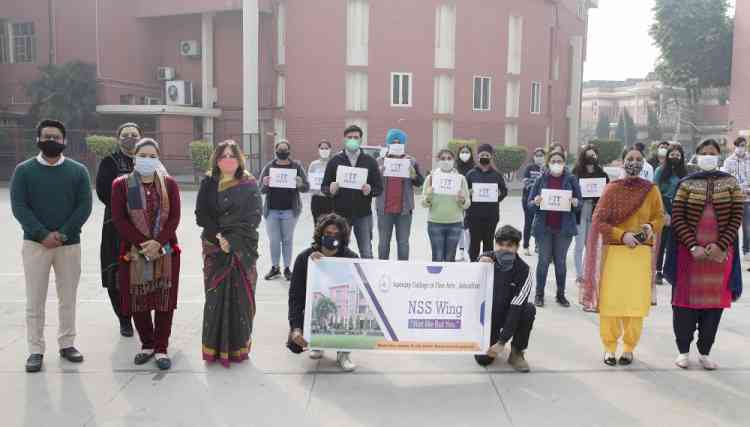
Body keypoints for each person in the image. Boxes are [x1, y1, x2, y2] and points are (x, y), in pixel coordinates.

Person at [11, 119, 93, 373]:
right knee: (35, 299)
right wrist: (41, 234)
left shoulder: (78, 171)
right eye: (46, 136)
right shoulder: (24, 171)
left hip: (69, 245)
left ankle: (67, 344)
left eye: (56, 137)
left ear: (64, 141)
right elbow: (19, 206)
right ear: (38, 140)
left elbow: (84, 206)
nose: (51, 140)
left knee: (67, 298)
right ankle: (35, 349)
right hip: (35, 245)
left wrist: (63, 234)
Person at [581, 146, 665, 366]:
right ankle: (609, 347)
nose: (634, 162)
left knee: (635, 304)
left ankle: (629, 348)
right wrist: (622, 235)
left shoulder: (651, 190)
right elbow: (598, 221)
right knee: (611, 303)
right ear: (622, 162)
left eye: (638, 159)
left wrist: (649, 227)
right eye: (630, 158)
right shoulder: (611, 189)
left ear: (644, 163)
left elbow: (660, 217)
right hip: (615, 253)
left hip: (641, 254)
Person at [665, 139, 743, 370]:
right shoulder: (686, 183)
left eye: (712, 153)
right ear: (697, 156)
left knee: (713, 306)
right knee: (684, 305)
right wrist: (692, 246)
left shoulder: (731, 183)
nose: (708, 156)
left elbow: (736, 216)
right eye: (704, 153)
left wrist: (720, 245)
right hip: (689, 256)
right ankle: (683, 351)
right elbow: (677, 217)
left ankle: (705, 351)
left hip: (719, 258)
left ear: (719, 156)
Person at [111, 138, 181, 370]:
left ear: (159, 159)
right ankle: (147, 344)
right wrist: (144, 243)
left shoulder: (169, 184)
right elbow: (120, 220)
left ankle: (161, 347)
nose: (148, 160)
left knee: (164, 300)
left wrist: (158, 243)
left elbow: (174, 218)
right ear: (134, 157)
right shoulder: (122, 185)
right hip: (134, 251)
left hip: (165, 251)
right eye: (143, 155)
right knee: (138, 299)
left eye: (153, 156)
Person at [196, 140, 262, 367]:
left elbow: (254, 217)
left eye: (232, 156)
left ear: (239, 159)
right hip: (215, 247)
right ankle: (213, 350)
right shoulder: (208, 181)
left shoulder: (249, 182)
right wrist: (220, 239)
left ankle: (238, 348)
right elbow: (201, 215)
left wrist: (233, 242)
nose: (227, 160)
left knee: (242, 300)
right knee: (215, 298)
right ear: (216, 159)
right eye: (223, 156)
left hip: (242, 247)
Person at [287, 213, 359, 371]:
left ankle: (344, 352)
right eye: (327, 234)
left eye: (336, 234)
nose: (331, 237)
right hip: (315, 308)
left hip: (341, 307)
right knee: (295, 344)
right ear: (320, 234)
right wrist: (296, 328)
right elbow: (295, 297)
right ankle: (316, 343)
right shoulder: (304, 258)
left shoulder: (351, 258)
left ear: (342, 238)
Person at [96, 122, 141, 337]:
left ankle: (142, 316)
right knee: (116, 272)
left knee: (143, 273)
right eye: (125, 135)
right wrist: (129, 206)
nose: (130, 138)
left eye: (134, 134)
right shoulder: (109, 162)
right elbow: (105, 192)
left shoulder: (150, 161)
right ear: (118, 138)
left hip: (145, 227)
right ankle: (124, 319)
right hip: (116, 225)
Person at [476, 225, 536, 372]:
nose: (504, 249)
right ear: (495, 244)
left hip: (510, 314)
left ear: (517, 247)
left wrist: (502, 342)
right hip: (489, 316)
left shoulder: (524, 271)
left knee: (528, 309)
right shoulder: (487, 260)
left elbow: (516, 307)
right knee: (483, 360)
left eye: (509, 246)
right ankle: (488, 339)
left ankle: (517, 352)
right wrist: (479, 262)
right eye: (500, 244)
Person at [528, 150, 581, 308]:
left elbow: (580, 203)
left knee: (560, 262)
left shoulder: (571, 180)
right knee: (543, 262)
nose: (557, 164)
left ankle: (560, 294)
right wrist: (535, 202)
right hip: (544, 229)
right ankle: (539, 294)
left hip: (563, 229)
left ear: (564, 163)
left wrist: (576, 203)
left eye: (560, 161)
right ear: (548, 163)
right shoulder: (540, 180)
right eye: (554, 161)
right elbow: (529, 204)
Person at [321, 125, 383, 259]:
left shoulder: (370, 162)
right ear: (344, 139)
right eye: (350, 137)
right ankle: (339, 278)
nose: (353, 140)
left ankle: (367, 278)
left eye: (356, 137)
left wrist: (370, 190)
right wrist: (330, 190)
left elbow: (379, 188)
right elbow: (324, 187)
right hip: (340, 215)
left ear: (361, 140)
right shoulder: (335, 161)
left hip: (363, 214)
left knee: (366, 251)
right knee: (338, 249)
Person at [259, 140, 310, 281]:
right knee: (274, 240)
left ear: (289, 151)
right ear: (276, 151)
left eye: (285, 149)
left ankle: (287, 267)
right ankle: (275, 267)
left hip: (290, 210)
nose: (282, 152)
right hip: (272, 211)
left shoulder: (296, 167)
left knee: (287, 240)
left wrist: (300, 184)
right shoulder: (269, 167)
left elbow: (307, 187)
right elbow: (260, 189)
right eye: (280, 149)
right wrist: (264, 183)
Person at [375, 128, 424, 260]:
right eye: (393, 142)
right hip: (384, 209)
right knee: (383, 243)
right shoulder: (380, 161)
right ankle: (382, 269)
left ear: (403, 144)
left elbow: (420, 182)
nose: (396, 144)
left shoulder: (411, 161)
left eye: (399, 142)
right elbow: (372, 184)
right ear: (388, 143)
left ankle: (402, 271)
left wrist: (414, 175)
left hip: (404, 210)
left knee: (403, 244)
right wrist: (378, 173)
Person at [571, 144, 610, 298]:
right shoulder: (576, 173)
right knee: (579, 244)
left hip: (595, 210)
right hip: (581, 210)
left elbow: (607, 193)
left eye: (593, 155)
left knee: (591, 245)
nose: (591, 158)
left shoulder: (602, 174)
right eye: (588, 155)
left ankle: (590, 273)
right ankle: (580, 275)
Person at [422, 149, 471, 262]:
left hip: (454, 223)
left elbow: (467, 204)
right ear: (438, 161)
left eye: (449, 158)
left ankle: (449, 280)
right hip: (435, 223)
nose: (446, 161)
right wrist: (429, 196)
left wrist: (462, 200)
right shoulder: (431, 178)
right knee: (437, 257)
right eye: (443, 158)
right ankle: (436, 280)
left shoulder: (460, 179)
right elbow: (423, 203)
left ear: (454, 161)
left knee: (450, 258)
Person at [465, 144, 508, 261]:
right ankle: (473, 265)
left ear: (491, 157)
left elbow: (504, 191)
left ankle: (487, 267)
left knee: (488, 242)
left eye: (487, 155)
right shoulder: (471, 174)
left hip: (491, 215)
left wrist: (498, 196)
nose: (484, 157)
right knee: (474, 243)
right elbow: (464, 192)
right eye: (482, 155)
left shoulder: (497, 175)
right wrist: (468, 193)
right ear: (478, 157)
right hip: (473, 215)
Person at [654, 144, 687, 285]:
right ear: (668, 156)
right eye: (672, 155)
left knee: (678, 241)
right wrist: (664, 212)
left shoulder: (685, 172)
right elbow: (655, 192)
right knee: (662, 242)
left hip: (680, 206)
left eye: (677, 155)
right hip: (665, 205)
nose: (675, 157)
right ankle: (658, 272)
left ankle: (674, 271)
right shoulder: (660, 171)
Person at [721, 136, 750, 262]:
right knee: (732, 226)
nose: (741, 148)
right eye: (739, 145)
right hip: (733, 199)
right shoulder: (728, 161)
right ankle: (729, 250)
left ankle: (747, 250)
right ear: (735, 146)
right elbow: (726, 179)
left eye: (744, 145)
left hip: (748, 198)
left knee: (748, 226)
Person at [521, 148, 546, 256]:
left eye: (541, 155)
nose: (539, 157)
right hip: (529, 199)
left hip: (543, 201)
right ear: (534, 156)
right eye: (537, 155)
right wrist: (537, 188)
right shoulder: (529, 168)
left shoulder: (546, 168)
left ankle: (538, 245)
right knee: (528, 223)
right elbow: (526, 182)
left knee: (539, 223)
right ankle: (526, 246)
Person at [456, 144, 476, 261]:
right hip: (457, 202)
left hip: (471, 203)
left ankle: (469, 251)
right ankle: (461, 251)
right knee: (459, 227)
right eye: (462, 152)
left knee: (469, 228)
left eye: (467, 152)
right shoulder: (454, 169)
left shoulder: (474, 169)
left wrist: (470, 192)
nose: (464, 154)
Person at [308, 140, 335, 226]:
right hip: (317, 199)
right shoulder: (313, 164)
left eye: (326, 148)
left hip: (330, 199)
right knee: (317, 225)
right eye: (322, 148)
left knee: (329, 225)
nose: (324, 150)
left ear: (330, 149)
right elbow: (310, 181)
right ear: (318, 150)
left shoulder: (334, 164)